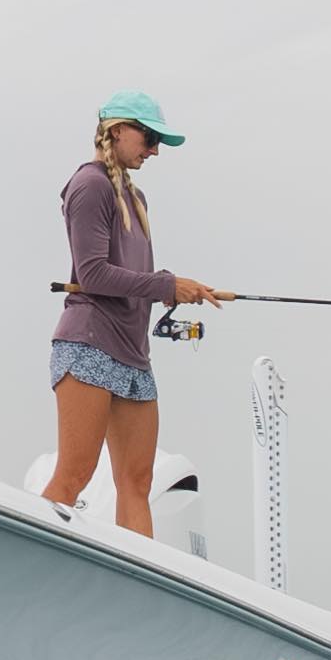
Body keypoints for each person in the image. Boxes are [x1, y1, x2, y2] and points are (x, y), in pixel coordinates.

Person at [43, 88, 231, 533]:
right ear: (118, 130)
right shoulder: (89, 185)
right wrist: (165, 284)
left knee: (138, 482)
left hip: (132, 353)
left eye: (158, 142)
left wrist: (174, 287)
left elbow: (130, 273)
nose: (154, 150)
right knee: (74, 476)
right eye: (148, 137)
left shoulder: (136, 198)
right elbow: (93, 275)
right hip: (87, 345)